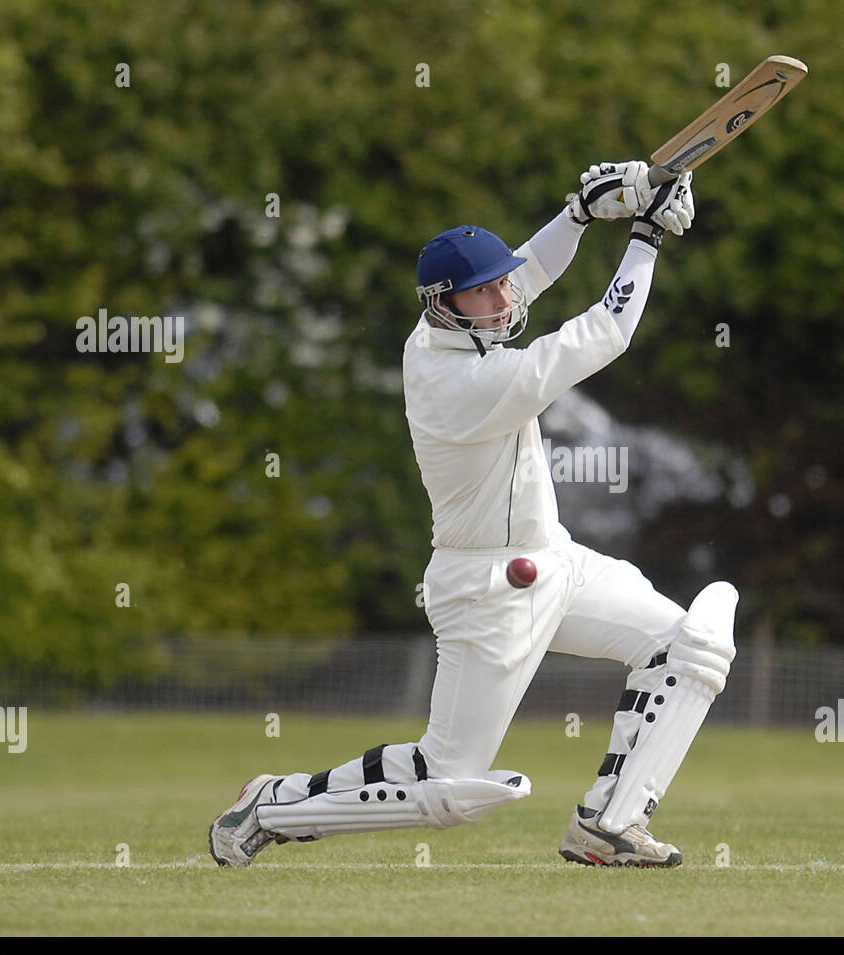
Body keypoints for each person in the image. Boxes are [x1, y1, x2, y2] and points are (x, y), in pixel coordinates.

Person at [210, 161, 739, 867]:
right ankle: (272, 803)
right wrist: (644, 235)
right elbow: (604, 334)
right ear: (444, 304)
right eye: (483, 290)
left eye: (498, 283)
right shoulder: (463, 380)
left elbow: (528, 272)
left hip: (556, 559)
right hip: (488, 587)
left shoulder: (460, 324)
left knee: (688, 646)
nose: (502, 296)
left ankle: (609, 825)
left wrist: (580, 212)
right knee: (448, 785)